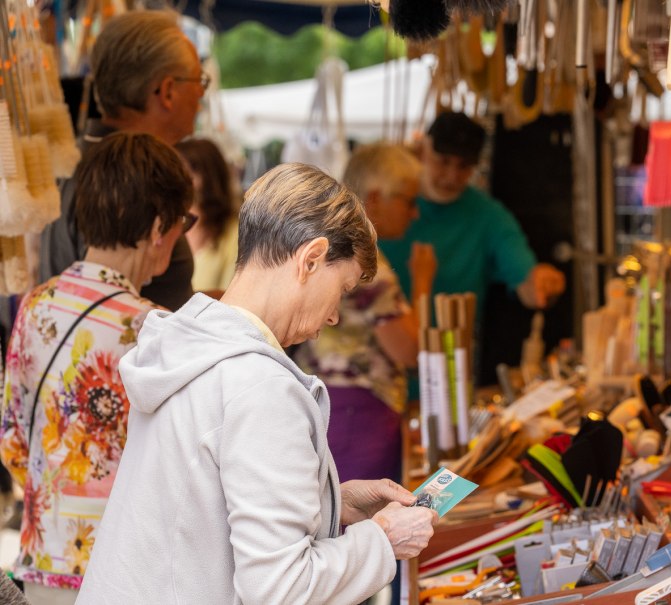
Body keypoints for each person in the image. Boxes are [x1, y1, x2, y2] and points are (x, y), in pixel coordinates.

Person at [76, 163, 438, 605]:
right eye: (339, 290)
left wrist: (331, 502)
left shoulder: (189, 342)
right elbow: (281, 589)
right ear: (310, 259)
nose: (334, 316)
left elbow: (199, 506)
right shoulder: (258, 384)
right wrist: (384, 539)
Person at [1, 133, 194, 605]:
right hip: (123, 568)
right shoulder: (154, 329)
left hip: (44, 561)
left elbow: (13, 443)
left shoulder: (35, 306)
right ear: (157, 227)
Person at [39, 10, 207, 311]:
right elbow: (124, 315)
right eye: (200, 80)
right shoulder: (131, 179)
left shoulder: (76, 158)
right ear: (167, 92)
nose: (201, 95)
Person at [294, 143, 435, 483]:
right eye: (408, 201)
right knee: (362, 524)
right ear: (374, 198)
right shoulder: (368, 269)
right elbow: (410, 350)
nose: (414, 213)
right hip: (359, 413)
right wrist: (423, 284)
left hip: (329, 405)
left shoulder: (334, 248)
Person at [379, 111, 566, 334]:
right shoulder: (386, 205)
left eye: (464, 166)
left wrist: (540, 283)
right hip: (381, 356)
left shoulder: (488, 215)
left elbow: (526, 280)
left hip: (450, 355)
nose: (451, 176)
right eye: (443, 161)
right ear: (422, 150)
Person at [175, 138, 240, 294]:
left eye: (189, 172)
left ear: (210, 176)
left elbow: (232, 296)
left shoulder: (235, 233)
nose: (177, 180)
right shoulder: (165, 224)